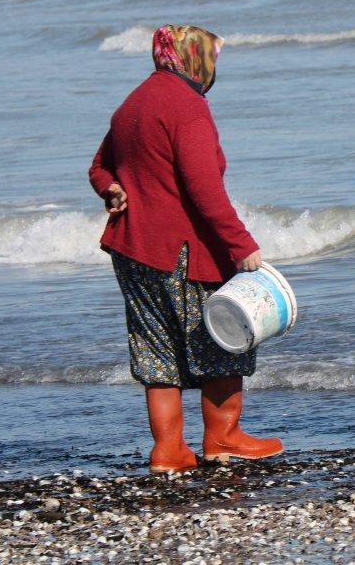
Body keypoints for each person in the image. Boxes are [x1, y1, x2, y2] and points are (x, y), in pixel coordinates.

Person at [89, 24, 283, 473]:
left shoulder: (131, 105)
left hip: (132, 248)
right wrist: (242, 245)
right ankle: (224, 437)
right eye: (212, 57)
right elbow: (204, 190)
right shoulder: (189, 108)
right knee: (222, 336)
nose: (214, 67)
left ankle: (168, 451)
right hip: (182, 249)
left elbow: (98, 167)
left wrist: (112, 189)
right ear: (194, 57)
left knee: (155, 347)